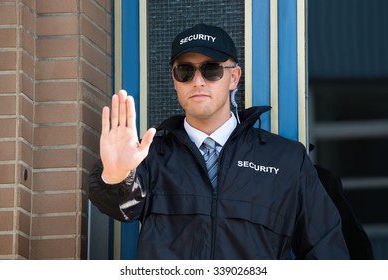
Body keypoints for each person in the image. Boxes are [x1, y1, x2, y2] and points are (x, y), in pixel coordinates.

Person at [89, 23, 349, 259]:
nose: (197, 81)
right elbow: (120, 207)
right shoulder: (151, 156)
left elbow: (326, 253)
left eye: (211, 69)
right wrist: (116, 175)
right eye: (185, 71)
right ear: (174, 80)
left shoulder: (286, 159)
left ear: (233, 77)